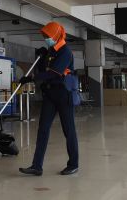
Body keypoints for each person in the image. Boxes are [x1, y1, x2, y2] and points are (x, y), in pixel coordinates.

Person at [19, 22, 78, 176]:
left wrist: (32, 78)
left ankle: (73, 164)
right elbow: (43, 70)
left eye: (48, 36)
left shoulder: (65, 52)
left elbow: (53, 73)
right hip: (50, 95)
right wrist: (40, 57)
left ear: (57, 35)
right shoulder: (50, 52)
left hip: (63, 94)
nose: (46, 39)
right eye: (45, 36)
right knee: (43, 129)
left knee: (68, 130)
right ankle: (36, 166)